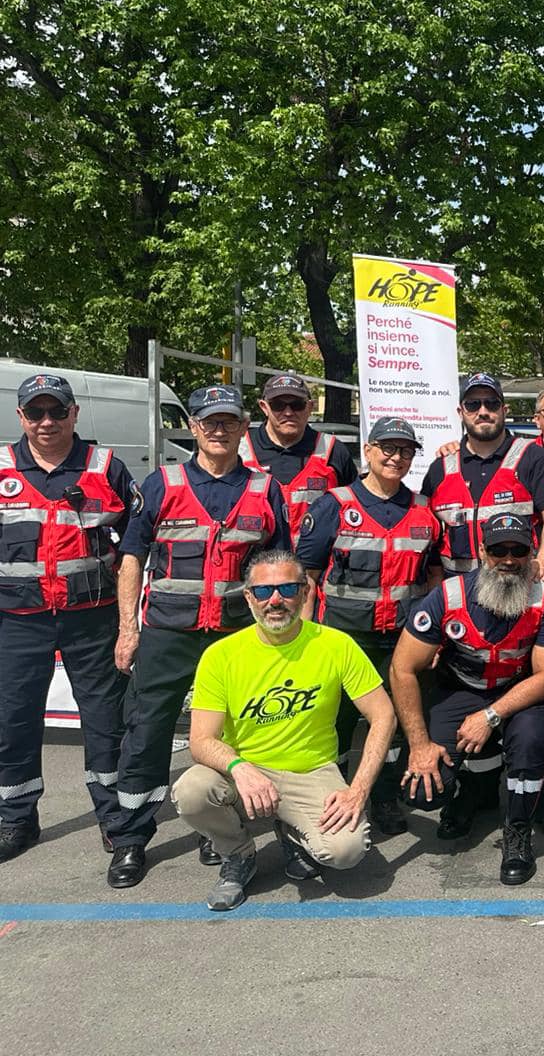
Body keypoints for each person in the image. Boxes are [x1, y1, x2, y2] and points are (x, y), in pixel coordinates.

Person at [105, 383, 291, 888]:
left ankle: (219, 826)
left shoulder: (264, 490)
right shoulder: (162, 484)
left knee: (235, 734)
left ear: (243, 427)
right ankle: (130, 838)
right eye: (209, 421)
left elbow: (278, 569)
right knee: (146, 733)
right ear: (193, 427)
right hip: (168, 631)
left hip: (236, 636)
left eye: (228, 420)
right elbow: (131, 559)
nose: (218, 429)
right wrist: (128, 630)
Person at [172, 550, 396, 910]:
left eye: (287, 589)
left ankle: (293, 832)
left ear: (306, 592)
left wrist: (358, 790)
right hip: (246, 770)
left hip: (311, 770)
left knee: (345, 851)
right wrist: (240, 768)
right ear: (249, 597)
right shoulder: (221, 655)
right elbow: (200, 741)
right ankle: (238, 854)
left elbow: (383, 716)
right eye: (263, 591)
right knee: (191, 791)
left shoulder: (336, 645)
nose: (275, 600)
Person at [389, 513, 544, 885]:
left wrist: (490, 716)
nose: (509, 559)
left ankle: (518, 830)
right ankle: (474, 793)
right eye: (499, 550)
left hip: (519, 692)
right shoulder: (448, 595)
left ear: (531, 553)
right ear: (482, 552)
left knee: (530, 739)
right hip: (461, 688)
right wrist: (420, 745)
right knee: (422, 792)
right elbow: (402, 668)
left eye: (519, 550)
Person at [0, 373, 138, 864]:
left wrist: (129, 626)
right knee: (12, 722)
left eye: (57, 410)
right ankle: (16, 817)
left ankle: (116, 821)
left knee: (106, 724)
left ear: (74, 413)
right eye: (36, 412)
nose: (47, 421)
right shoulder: (1, 469)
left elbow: (135, 547)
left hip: (92, 621)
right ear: (21, 416)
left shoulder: (106, 468)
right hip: (17, 622)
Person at [297, 417, 441, 838]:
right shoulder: (334, 506)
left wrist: (433, 638)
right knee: (335, 723)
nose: (396, 457)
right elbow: (307, 578)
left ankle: (383, 797)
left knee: (393, 723)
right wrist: (302, 642)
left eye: (405, 451)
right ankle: (330, 797)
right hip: (342, 640)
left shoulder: (424, 509)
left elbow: (433, 577)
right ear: (368, 451)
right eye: (388, 448)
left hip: (400, 642)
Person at [421, 372, 544, 577]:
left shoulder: (532, 457)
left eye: (491, 404)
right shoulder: (441, 467)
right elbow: (428, 528)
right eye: (473, 405)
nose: (483, 411)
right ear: (460, 412)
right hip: (458, 586)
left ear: (504, 410)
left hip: (516, 582)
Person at [239, 371, 357, 534]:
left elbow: (355, 508)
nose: (288, 412)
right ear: (264, 407)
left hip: (315, 551)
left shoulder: (333, 451)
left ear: (310, 407)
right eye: (278, 405)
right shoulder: (239, 450)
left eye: (297, 405)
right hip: (259, 551)